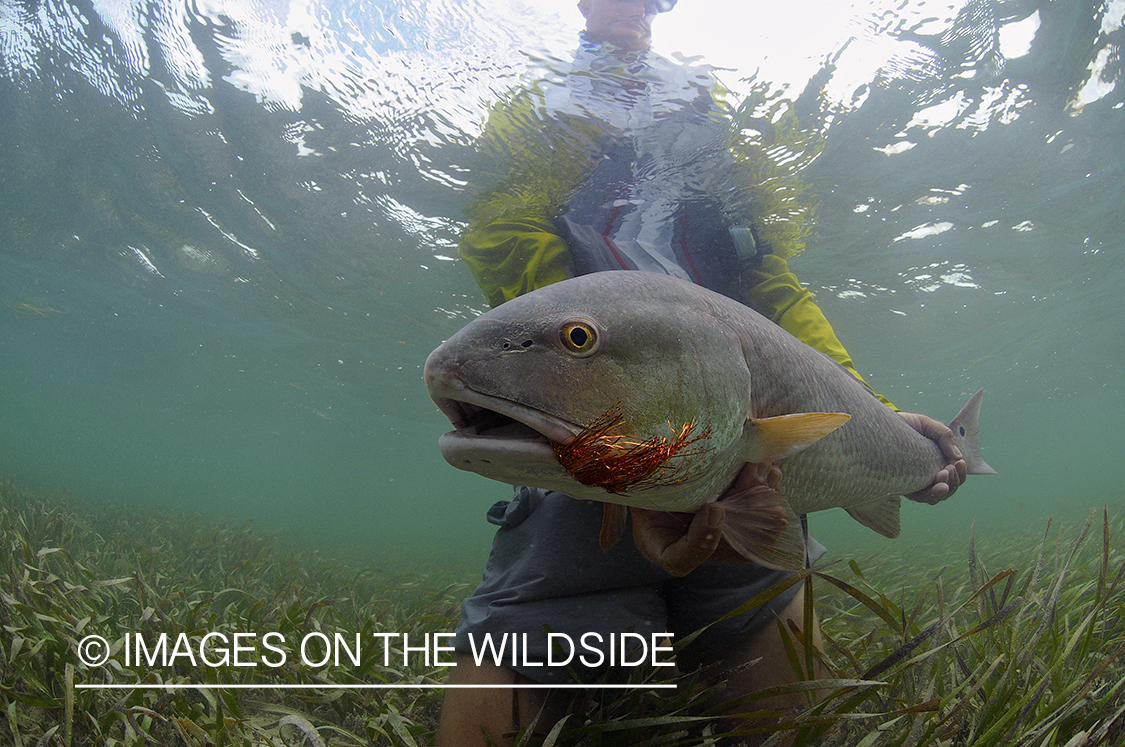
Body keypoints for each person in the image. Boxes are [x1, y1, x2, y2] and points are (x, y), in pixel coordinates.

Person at [435, 1, 967, 744]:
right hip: (592, 443)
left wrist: (877, 414)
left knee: (783, 707)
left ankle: (695, 628)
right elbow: (504, 243)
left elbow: (771, 281)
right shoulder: (537, 108)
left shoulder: (714, 117)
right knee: (530, 633)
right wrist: (631, 453)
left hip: (752, 454)